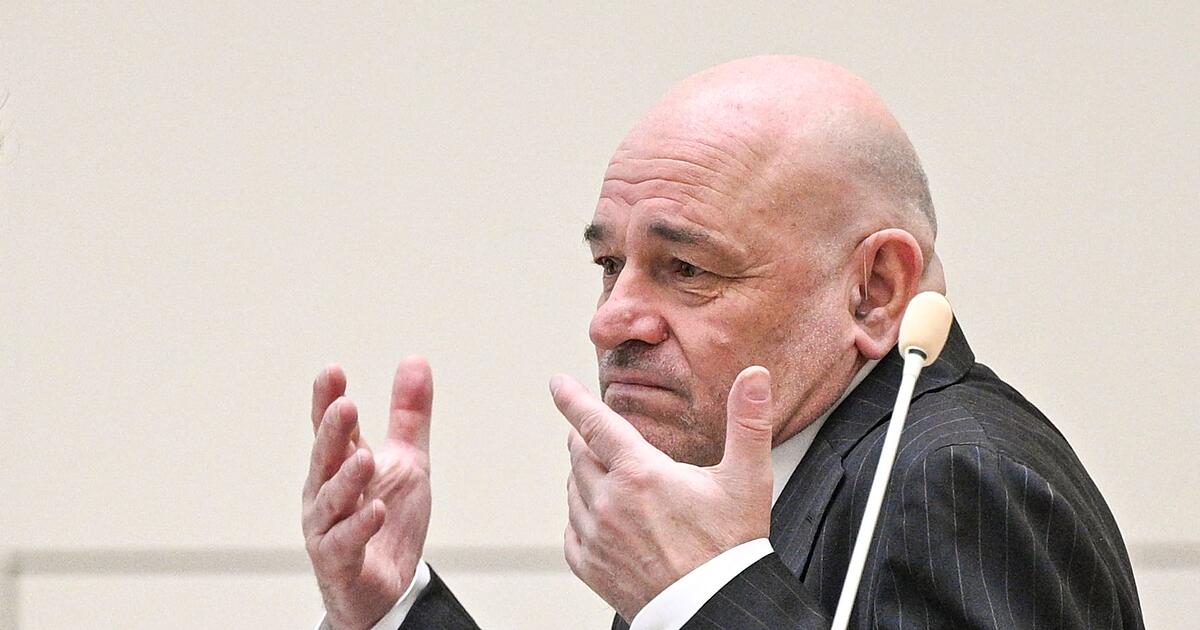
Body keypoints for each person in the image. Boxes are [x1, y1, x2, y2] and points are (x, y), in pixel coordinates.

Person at [301, 56, 1145, 629]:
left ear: (875, 290)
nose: (611, 320)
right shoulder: (744, 484)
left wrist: (708, 599)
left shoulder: (954, 480)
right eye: (609, 265)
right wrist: (391, 609)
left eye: (686, 268)